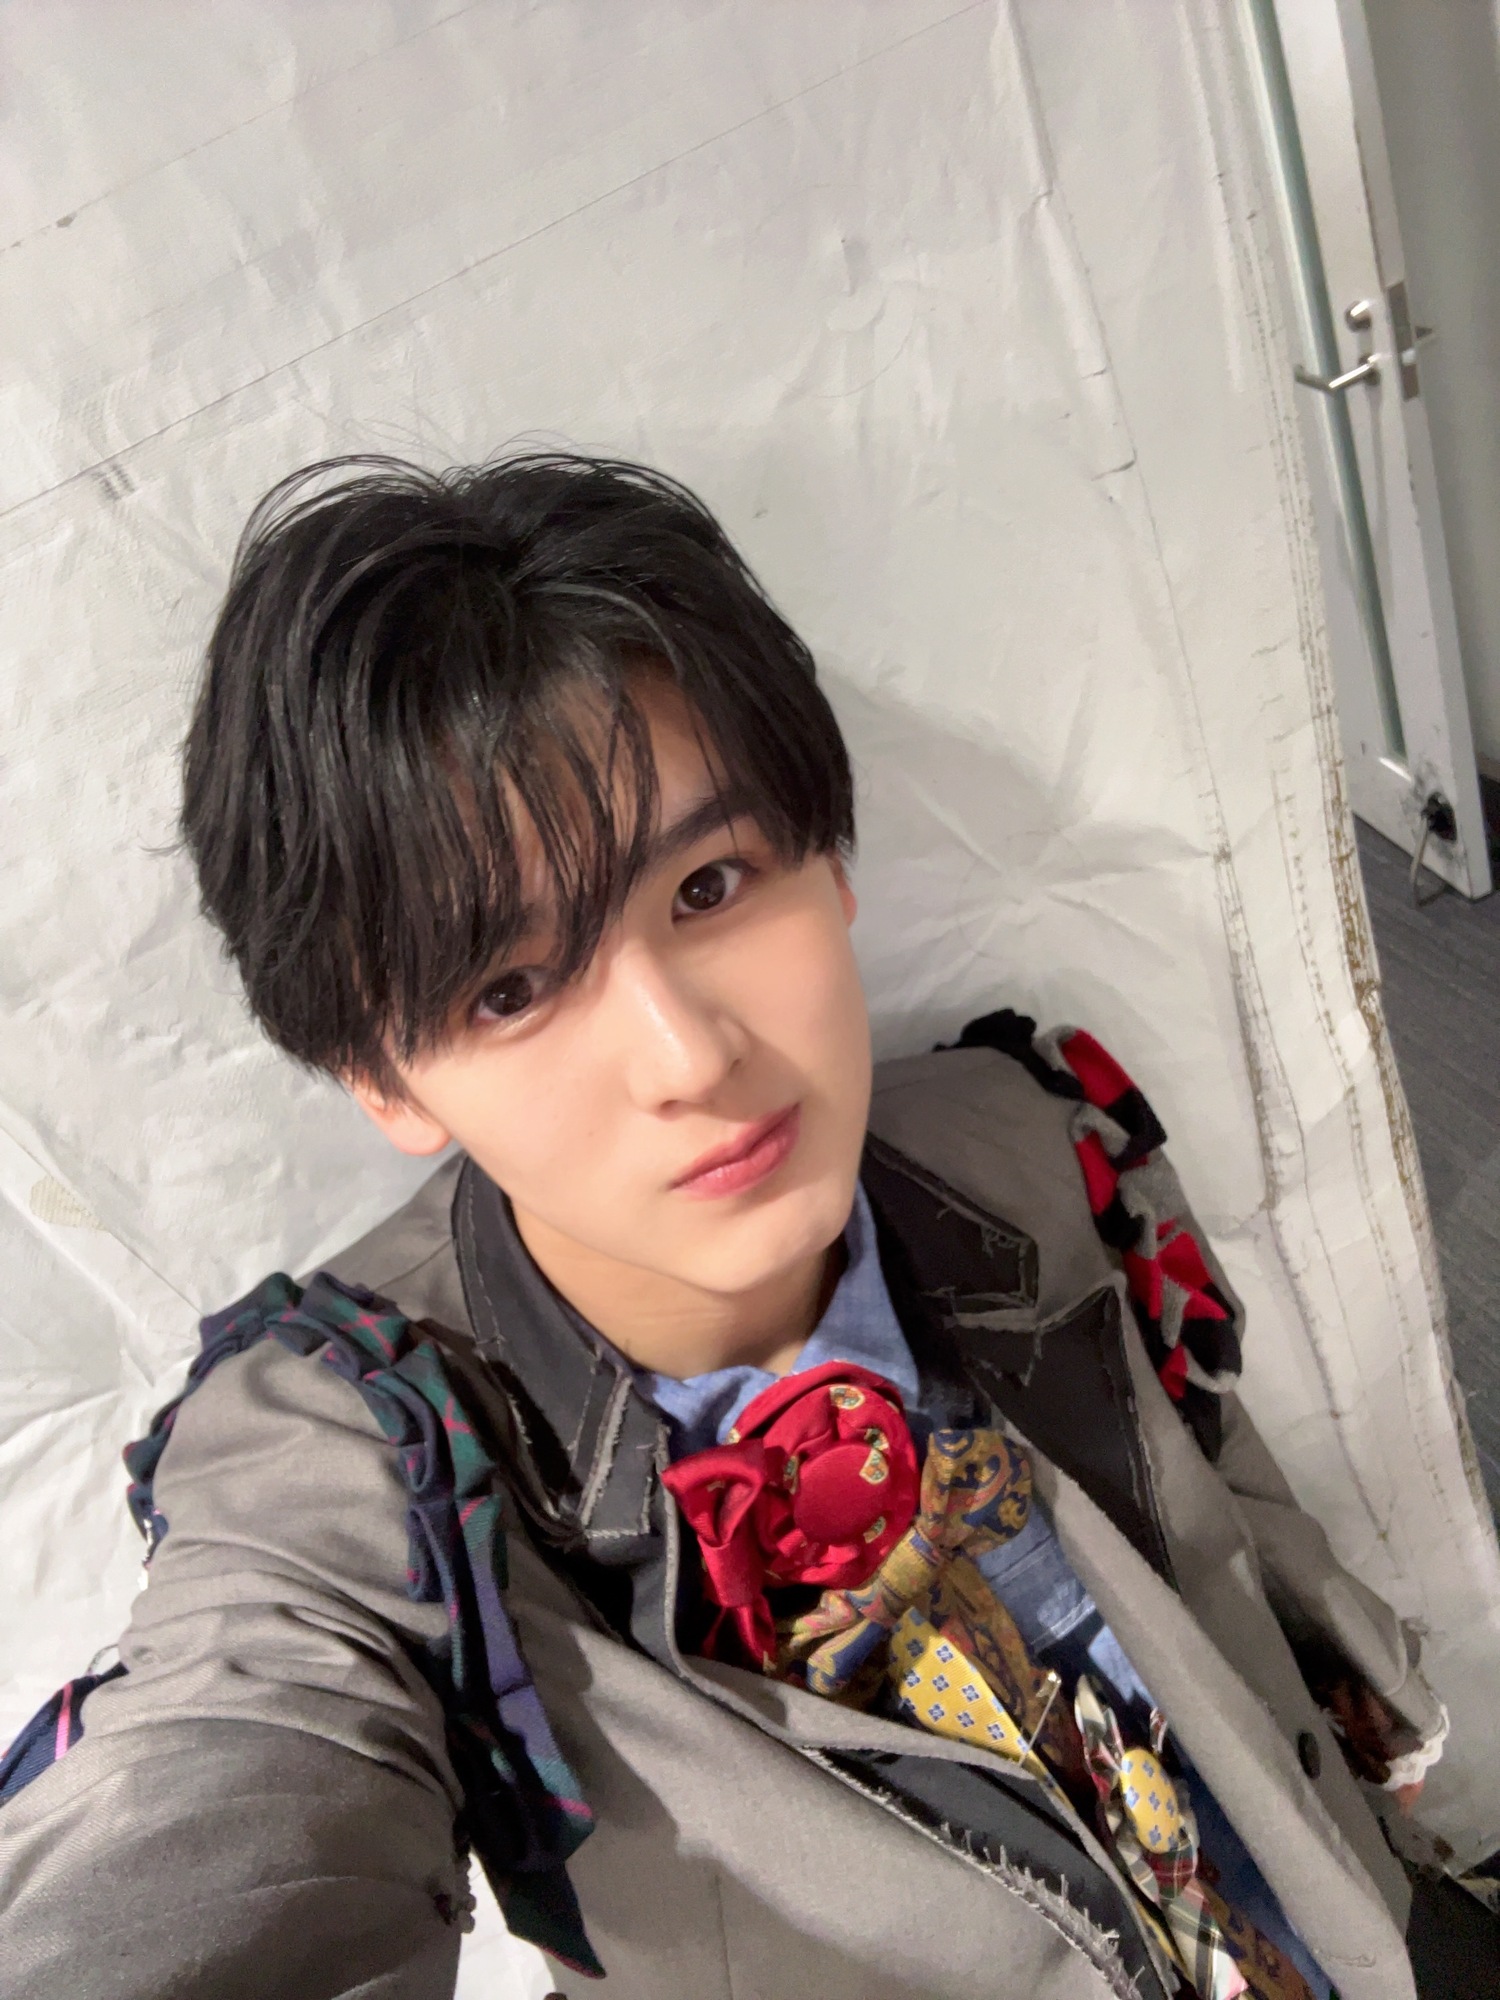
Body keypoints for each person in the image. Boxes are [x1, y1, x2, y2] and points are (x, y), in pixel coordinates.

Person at [0, 454, 1448, 2000]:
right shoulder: (361, 1458)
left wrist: (1355, 1695)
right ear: (381, 1076)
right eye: (511, 989)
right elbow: (221, 1783)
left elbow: (1210, 1457)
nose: (690, 1057)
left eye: (709, 885)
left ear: (830, 863)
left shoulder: (1021, 1132)